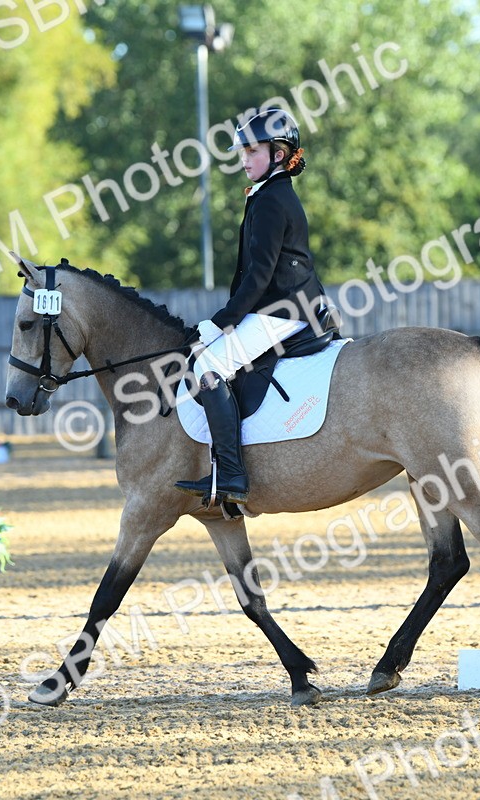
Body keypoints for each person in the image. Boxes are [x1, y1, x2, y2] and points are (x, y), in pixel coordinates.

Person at [173, 107, 326, 507]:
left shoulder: (273, 200)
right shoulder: (267, 194)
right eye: (241, 152)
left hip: (285, 311)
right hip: (281, 306)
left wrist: (220, 323)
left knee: (207, 367)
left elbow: (258, 278)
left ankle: (231, 474)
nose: (243, 160)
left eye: (251, 151)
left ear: (277, 154)